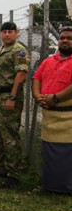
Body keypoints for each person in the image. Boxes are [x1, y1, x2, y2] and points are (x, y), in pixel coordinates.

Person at [0, 22, 29, 188]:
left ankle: (14, 173)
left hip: (9, 96)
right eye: (4, 32)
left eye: (10, 32)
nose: (7, 35)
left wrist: (12, 96)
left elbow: (21, 74)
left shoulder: (19, 51)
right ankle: (2, 168)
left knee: (10, 135)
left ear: (16, 33)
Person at [32, 27, 72, 194]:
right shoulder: (49, 61)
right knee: (49, 153)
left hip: (68, 118)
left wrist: (55, 98)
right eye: (62, 37)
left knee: (66, 154)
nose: (64, 40)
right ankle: (48, 185)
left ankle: (66, 188)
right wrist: (38, 96)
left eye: (69, 38)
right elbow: (36, 78)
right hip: (49, 116)